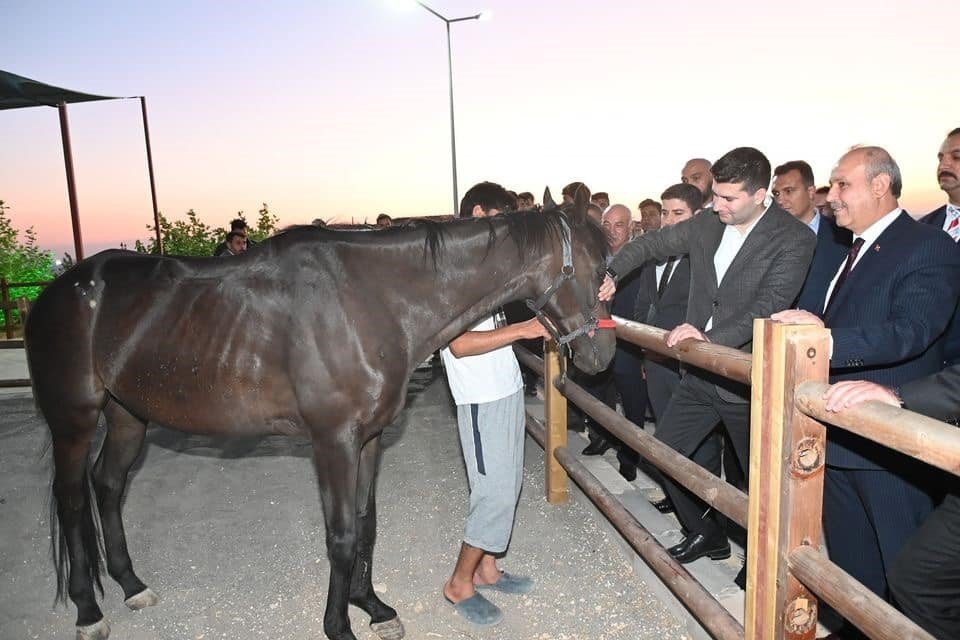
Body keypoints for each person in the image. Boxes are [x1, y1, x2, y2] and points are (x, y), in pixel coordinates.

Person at [599, 147, 816, 568]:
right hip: (698, 374)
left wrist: (707, 335)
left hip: (748, 382)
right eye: (714, 195)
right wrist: (611, 273)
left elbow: (770, 305)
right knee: (665, 453)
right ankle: (707, 534)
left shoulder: (795, 239)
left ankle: (761, 564)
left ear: (760, 195)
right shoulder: (705, 226)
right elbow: (651, 245)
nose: (716, 205)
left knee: (759, 484)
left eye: (728, 199)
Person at [772, 146, 960, 609]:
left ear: (880, 186)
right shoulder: (847, 247)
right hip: (840, 434)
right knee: (853, 571)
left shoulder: (927, 245)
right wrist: (810, 320)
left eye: (842, 185)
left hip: (889, 449)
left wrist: (827, 341)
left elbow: (912, 330)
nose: (830, 195)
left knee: (904, 581)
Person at [440, 181, 549, 627]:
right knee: (493, 492)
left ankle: (486, 568)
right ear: (480, 214)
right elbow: (460, 345)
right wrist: (525, 332)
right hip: (480, 397)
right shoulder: (454, 273)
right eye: (501, 222)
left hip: (503, 389)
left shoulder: (487, 268)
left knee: (507, 485)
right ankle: (459, 582)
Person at [821, 372, 960, 640]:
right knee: (874, 568)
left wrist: (903, 396)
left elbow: (919, 329)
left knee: (913, 574)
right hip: (844, 412)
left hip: (907, 426)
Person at [771, 160, 851, 313]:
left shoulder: (845, 238)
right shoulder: (765, 239)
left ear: (811, 192)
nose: (780, 200)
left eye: (788, 191)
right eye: (776, 194)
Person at [919, 127, 960, 365]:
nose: (944, 164)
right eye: (941, 158)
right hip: (925, 369)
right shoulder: (923, 228)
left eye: (956, 157)